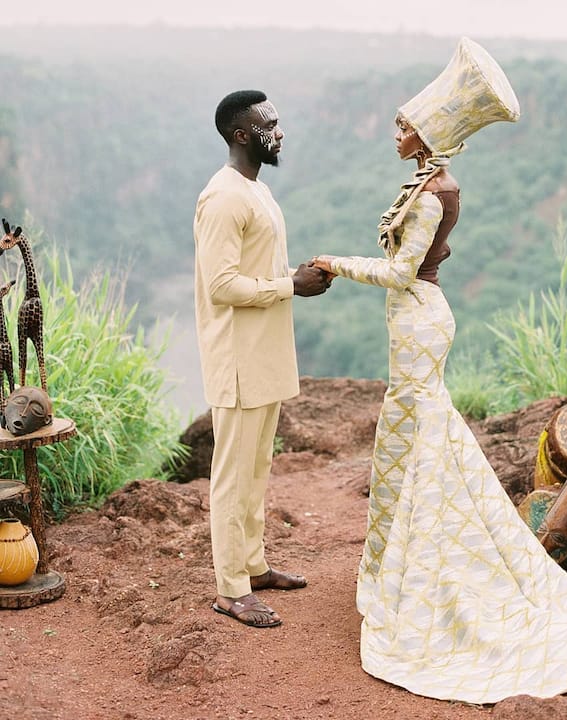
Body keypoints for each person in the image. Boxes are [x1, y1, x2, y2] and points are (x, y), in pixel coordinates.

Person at [311, 37, 567, 704]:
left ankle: (423, 578)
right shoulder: (433, 185)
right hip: (418, 318)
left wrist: (333, 264)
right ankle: (402, 573)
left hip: (419, 317)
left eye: (406, 125)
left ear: (428, 132)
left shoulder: (435, 194)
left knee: (420, 442)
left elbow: (403, 271)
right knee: (415, 442)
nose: (396, 132)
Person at [193, 90, 330, 629]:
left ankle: (251, 565)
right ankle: (230, 589)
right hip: (238, 359)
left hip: (264, 355)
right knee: (232, 475)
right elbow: (222, 284)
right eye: (268, 124)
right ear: (240, 134)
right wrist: (290, 284)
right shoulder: (224, 197)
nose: (280, 132)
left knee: (257, 468)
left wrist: (292, 276)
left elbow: (256, 268)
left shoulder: (256, 190)